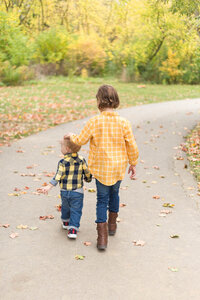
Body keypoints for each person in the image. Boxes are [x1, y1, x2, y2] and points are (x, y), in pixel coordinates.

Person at [66, 84, 139, 249]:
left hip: (101, 168)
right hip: (118, 167)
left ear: (99, 101)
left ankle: (102, 238)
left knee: (101, 200)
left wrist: (71, 136)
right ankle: (112, 226)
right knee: (115, 195)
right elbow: (132, 146)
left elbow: (80, 140)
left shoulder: (94, 121)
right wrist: (133, 162)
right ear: (115, 101)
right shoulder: (124, 122)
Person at [39, 137, 92, 239]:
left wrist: (49, 186)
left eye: (61, 146)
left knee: (65, 207)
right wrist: (88, 179)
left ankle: (66, 222)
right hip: (77, 192)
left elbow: (58, 176)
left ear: (67, 149)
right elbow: (87, 172)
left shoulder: (62, 162)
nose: (61, 148)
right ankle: (73, 230)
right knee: (76, 210)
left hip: (64, 192)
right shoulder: (81, 160)